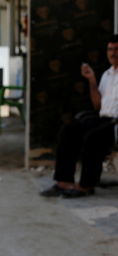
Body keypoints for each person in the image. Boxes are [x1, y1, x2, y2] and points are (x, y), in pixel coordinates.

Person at [40, 35, 118, 198]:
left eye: (116, 49)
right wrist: (91, 80)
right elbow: (98, 105)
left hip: (115, 123)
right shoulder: (107, 75)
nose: (113, 53)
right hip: (103, 118)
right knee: (68, 130)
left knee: (93, 137)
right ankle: (64, 181)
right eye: (110, 49)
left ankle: (87, 184)